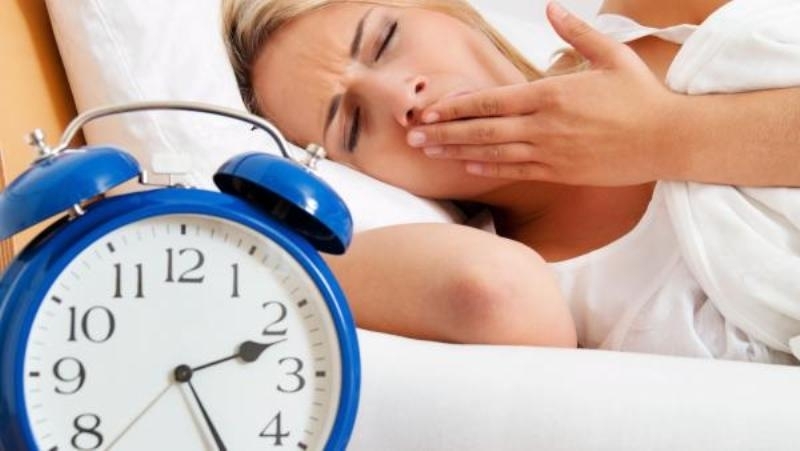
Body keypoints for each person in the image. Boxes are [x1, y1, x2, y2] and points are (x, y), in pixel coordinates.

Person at [222, 0, 800, 363]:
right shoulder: (521, 276)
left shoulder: (655, 17)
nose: (401, 96)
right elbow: (491, 291)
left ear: (445, 11)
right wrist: (227, 239)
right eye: (352, 124)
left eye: (384, 40)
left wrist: (660, 134)